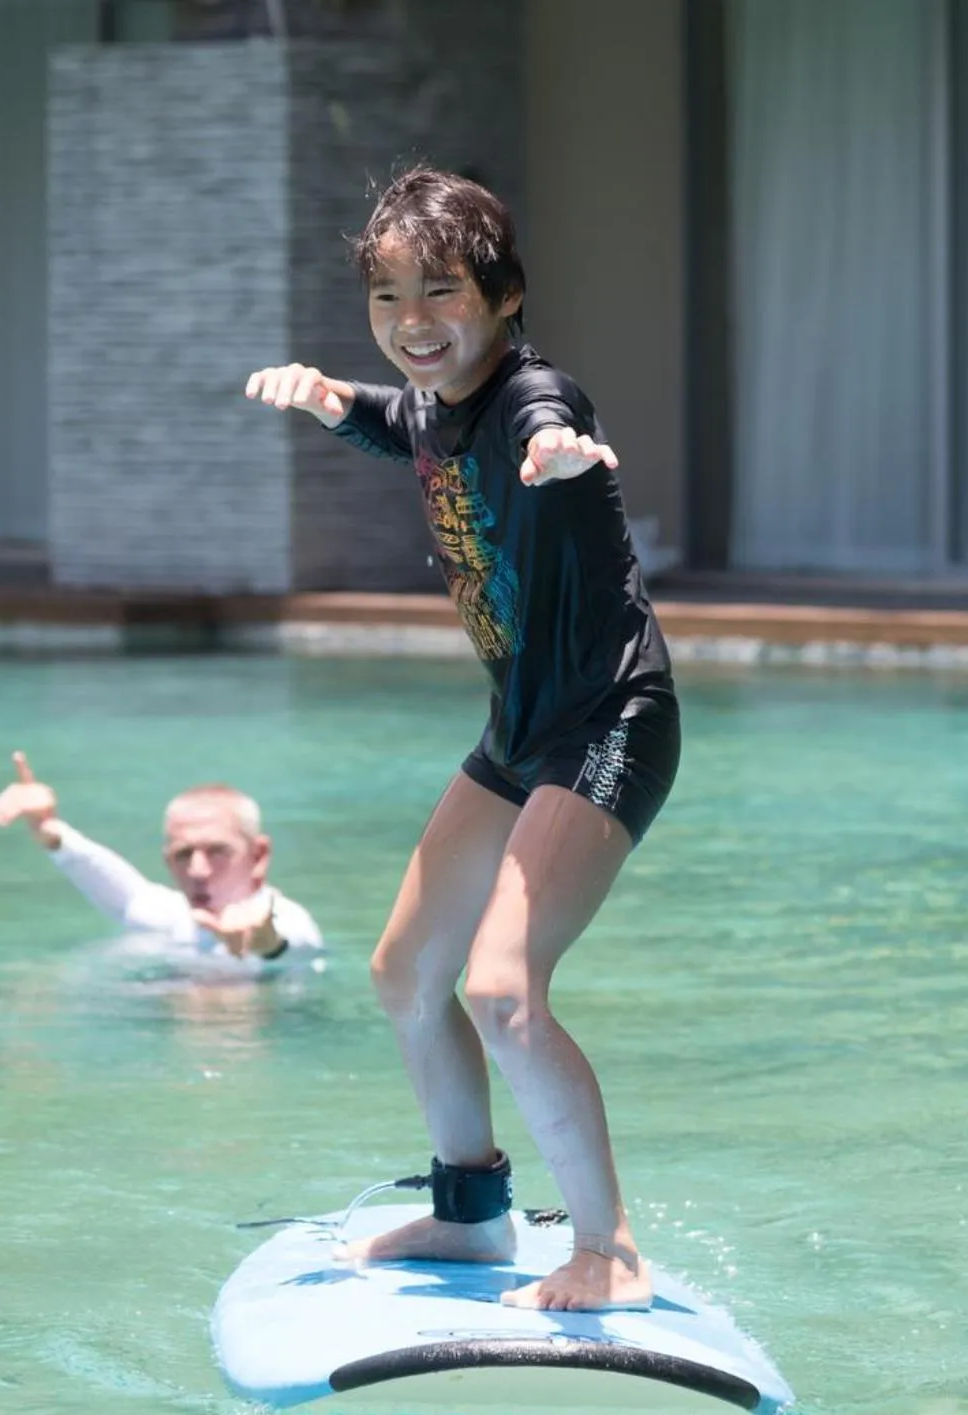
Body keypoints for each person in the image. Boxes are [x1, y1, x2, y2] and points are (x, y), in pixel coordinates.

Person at [242, 167, 680, 1313]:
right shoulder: (438, 400)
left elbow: (541, 425)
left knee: (501, 990)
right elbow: (407, 426)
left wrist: (565, 456)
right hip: (520, 727)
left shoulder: (541, 400)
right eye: (387, 299)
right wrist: (331, 398)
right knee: (404, 971)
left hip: (607, 722)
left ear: (504, 295)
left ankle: (609, 1249)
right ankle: (472, 1215)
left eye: (440, 293)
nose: (412, 324)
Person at [0, 752, 323, 962]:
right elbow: (106, 875)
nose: (198, 869)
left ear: (259, 855)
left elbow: (287, 948)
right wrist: (48, 828)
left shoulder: (292, 921)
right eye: (183, 854)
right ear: (166, 861)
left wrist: (263, 943)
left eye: (217, 851)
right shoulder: (165, 915)